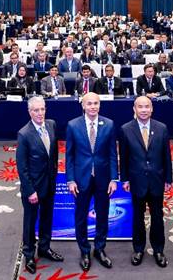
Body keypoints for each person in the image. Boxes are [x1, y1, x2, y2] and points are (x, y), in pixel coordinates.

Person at [65, 93, 118, 271]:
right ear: (83, 105)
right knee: (81, 216)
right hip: (81, 179)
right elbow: (69, 155)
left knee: (103, 215)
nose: (93, 106)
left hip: (103, 179)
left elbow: (112, 154)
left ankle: (100, 249)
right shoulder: (73, 125)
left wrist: (113, 178)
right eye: (90, 104)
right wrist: (70, 179)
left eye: (96, 103)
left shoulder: (109, 124)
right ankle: (85, 251)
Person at [118, 96, 171, 268]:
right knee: (138, 217)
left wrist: (168, 179)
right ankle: (139, 249)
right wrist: (124, 178)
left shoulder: (161, 128)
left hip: (157, 180)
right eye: (140, 107)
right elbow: (124, 158)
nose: (144, 110)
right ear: (134, 109)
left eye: (147, 106)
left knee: (157, 216)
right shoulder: (126, 129)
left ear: (152, 109)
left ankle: (158, 250)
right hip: (136, 181)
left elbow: (166, 157)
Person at [17, 97, 64, 274]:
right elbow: (22, 167)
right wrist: (30, 190)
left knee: (47, 218)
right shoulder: (24, 134)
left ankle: (44, 248)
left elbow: (53, 154)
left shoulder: (51, 125)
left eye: (42, 109)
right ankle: (29, 254)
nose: (40, 113)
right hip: (33, 188)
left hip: (50, 183)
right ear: (30, 112)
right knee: (30, 222)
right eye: (36, 110)